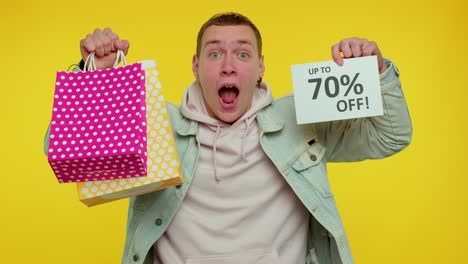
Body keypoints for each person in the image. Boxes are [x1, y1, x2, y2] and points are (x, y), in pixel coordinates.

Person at [56, 12, 412, 264]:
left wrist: (376, 72)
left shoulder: (300, 118)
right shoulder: (156, 123)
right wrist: (95, 78)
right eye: (215, 54)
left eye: (243, 54)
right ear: (196, 66)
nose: (228, 65)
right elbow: (70, 159)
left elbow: (390, 137)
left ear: (260, 67)